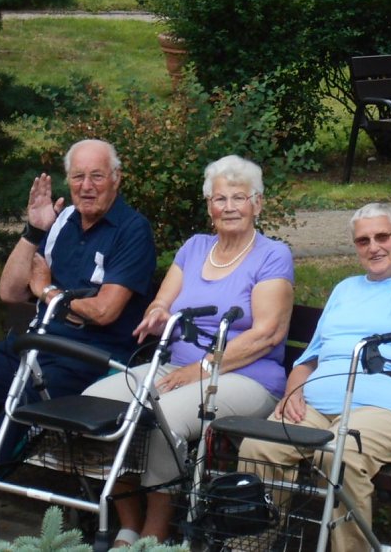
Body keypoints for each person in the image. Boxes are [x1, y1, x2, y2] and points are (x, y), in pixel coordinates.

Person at [0, 139, 157, 549]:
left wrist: (47, 292)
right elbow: (10, 291)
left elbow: (107, 310)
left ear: (116, 179)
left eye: (97, 175)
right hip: (31, 345)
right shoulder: (62, 221)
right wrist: (33, 231)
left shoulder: (132, 231)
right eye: (78, 176)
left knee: (18, 411)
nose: (87, 185)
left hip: (82, 359)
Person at [239, 149, 391, 552]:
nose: (374, 247)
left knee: (338, 452)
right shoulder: (345, 289)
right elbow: (309, 358)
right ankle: (255, 543)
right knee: (258, 446)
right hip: (322, 406)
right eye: (363, 240)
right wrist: (292, 393)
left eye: (383, 236)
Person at [82, 154, 294, 547]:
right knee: (97, 403)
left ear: (257, 204)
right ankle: (128, 522)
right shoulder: (194, 248)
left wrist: (199, 369)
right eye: (220, 199)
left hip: (247, 377)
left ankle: (156, 531)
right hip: (176, 367)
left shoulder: (272, 255)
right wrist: (158, 315)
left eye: (239, 197)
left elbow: (267, 334)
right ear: (209, 206)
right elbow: (161, 304)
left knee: (164, 421)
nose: (229, 207)